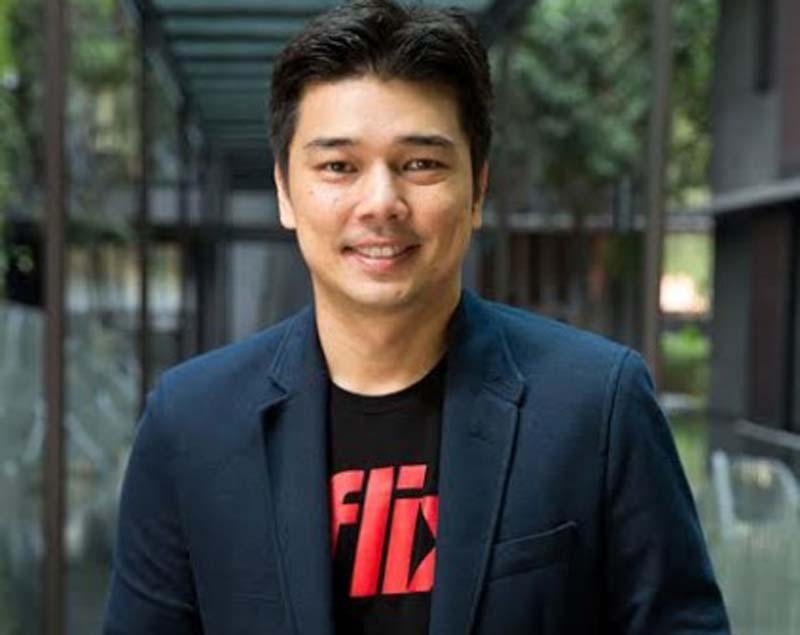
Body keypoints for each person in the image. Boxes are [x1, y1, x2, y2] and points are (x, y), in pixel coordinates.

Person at [103, 1, 730, 633]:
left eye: (421, 164)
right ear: (285, 193)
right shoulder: (190, 424)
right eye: (339, 166)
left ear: (477, 189)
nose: (381, 203)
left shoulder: (596, 406)